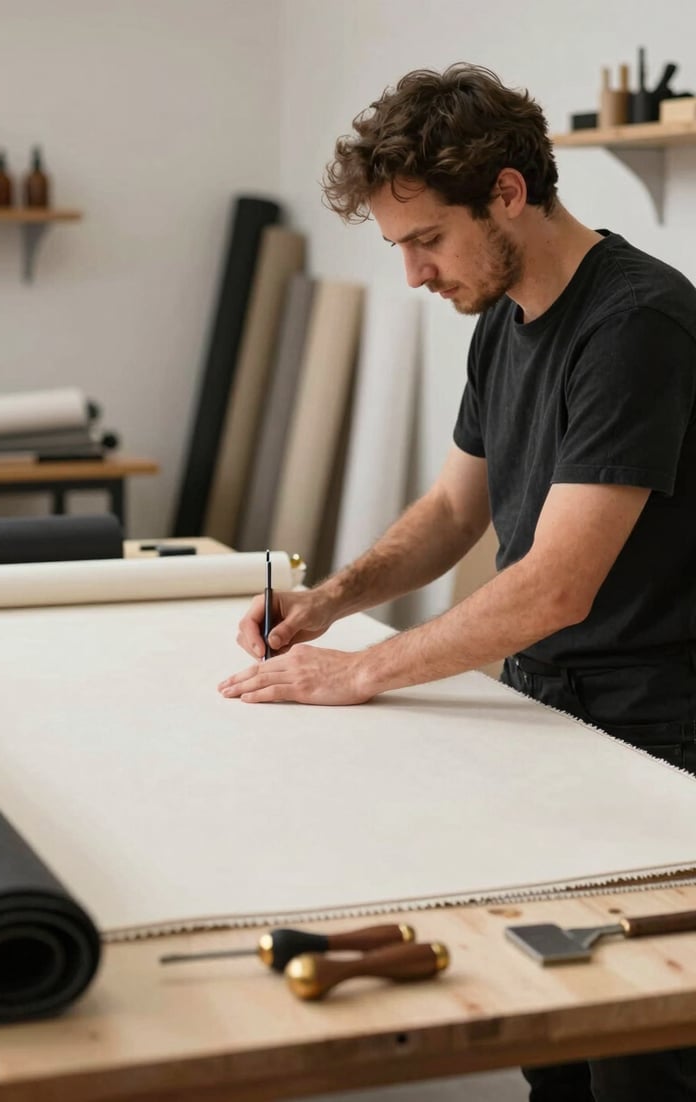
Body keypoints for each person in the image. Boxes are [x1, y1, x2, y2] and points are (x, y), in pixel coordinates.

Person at [218, 64, 696, 1100]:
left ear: (510, 194)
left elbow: (556, 586)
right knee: (550, 1047)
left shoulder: (638, 324)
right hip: (552, 715)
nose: (413, 276)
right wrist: (328, 604)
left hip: (659, 737)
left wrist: (362, 673)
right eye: (399, 247)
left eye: (426, 239)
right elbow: (450, 512)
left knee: (638, 1059)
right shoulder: (502, 323)